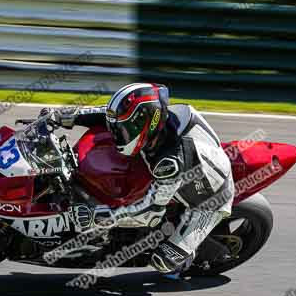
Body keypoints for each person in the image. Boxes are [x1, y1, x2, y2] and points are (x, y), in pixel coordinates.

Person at [42, 83, 234, 276]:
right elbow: (108, 115)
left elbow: (150, 212)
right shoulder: (156, 121)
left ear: (145, 125)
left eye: (123, 130)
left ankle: (194, 254)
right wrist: (62, 116)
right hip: (197, 159)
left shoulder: (168, 163)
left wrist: (97, 215)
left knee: (165, 263)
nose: (116, 133)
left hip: (209, 202)